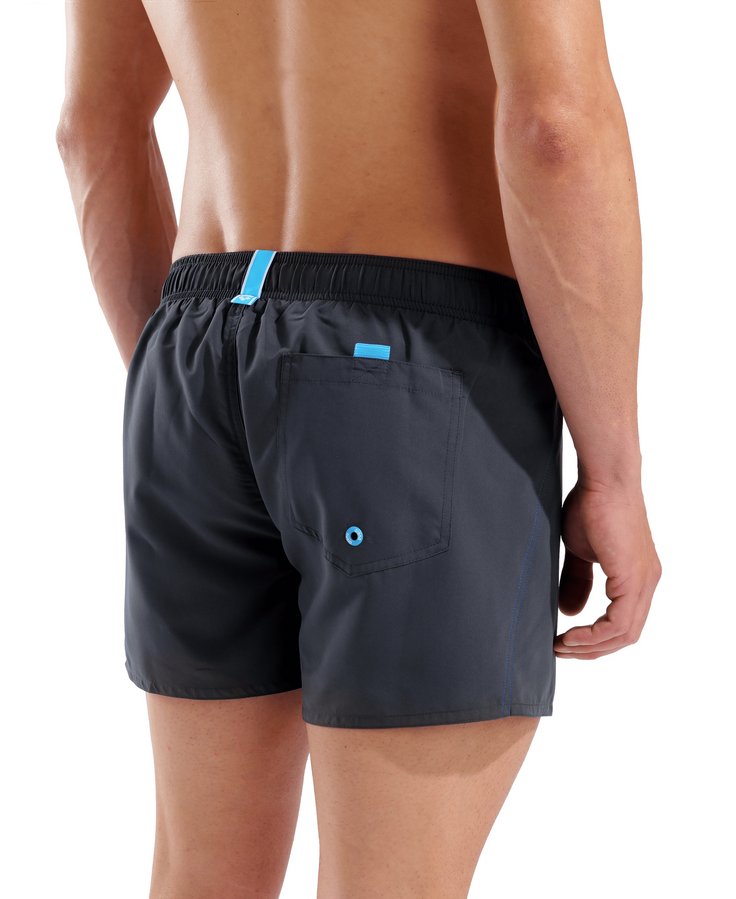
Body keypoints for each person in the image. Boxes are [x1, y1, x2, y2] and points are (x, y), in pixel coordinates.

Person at [56, 1, 662, 896]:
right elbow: (555, 126)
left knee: (200, 877)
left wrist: (204, 405)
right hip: (413, 362)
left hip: (192, 345)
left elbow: (91, 127)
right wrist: (613, 471)